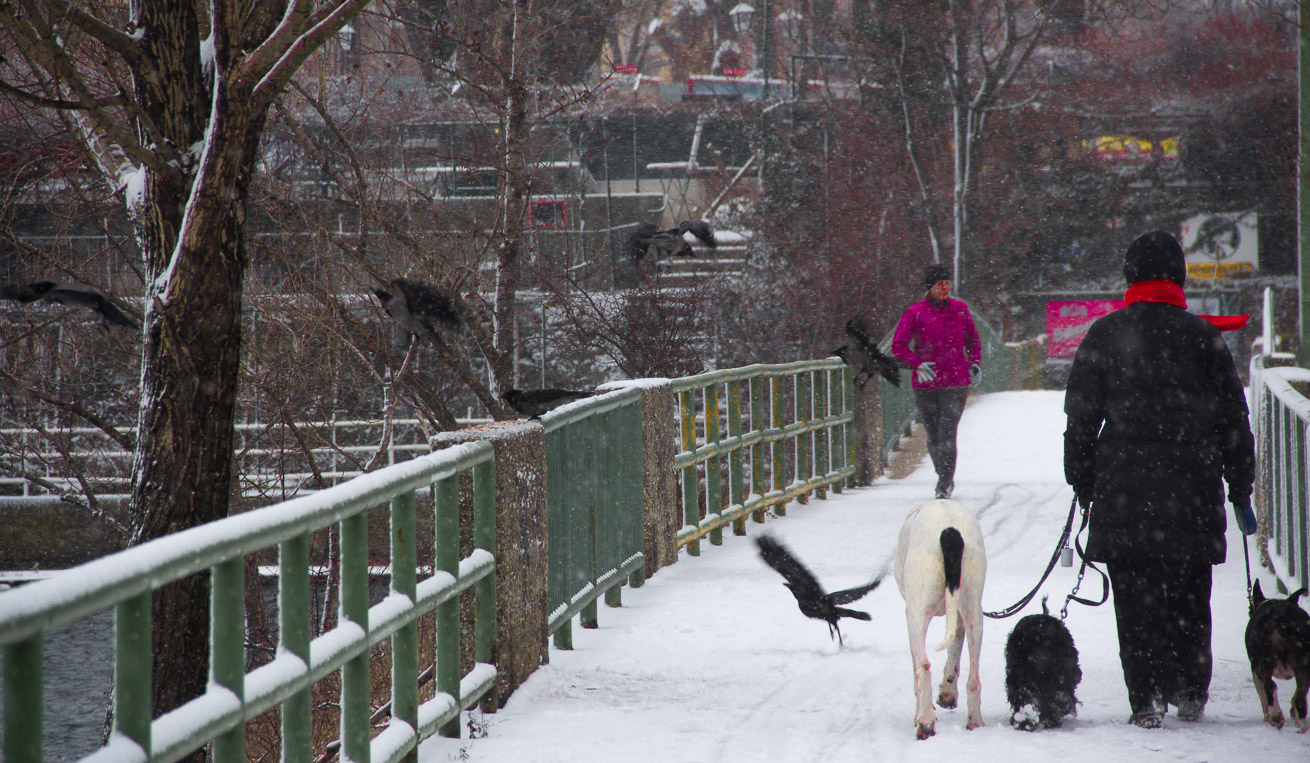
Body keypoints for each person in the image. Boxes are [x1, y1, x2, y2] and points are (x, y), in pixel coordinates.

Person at [1063, 230, 1256, 729]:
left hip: (1126, 494)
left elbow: (1081, 420)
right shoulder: (1204, 337)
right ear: (1179, 276)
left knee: (1135, 600)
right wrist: (1240, 484)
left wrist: (1084, 483)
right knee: (1191, 595)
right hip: (1192, 494)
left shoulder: (1105, 335)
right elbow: (1233, 419)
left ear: (1130, 276)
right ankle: (1190, 689)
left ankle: (1145, 697)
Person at [892, 263, 982, 499]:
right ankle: (944, 474)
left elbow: (973, 339)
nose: (945, 288)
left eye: (947, 284)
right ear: (929, 288)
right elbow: (898, 345)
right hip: (926, 383)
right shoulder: (915, 312)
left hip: (956, 382)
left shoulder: (961, 309)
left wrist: (974, 362)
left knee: (947, 432)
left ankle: (944, 483)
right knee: (933, 435)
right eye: (939, 284)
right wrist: (916, 363)